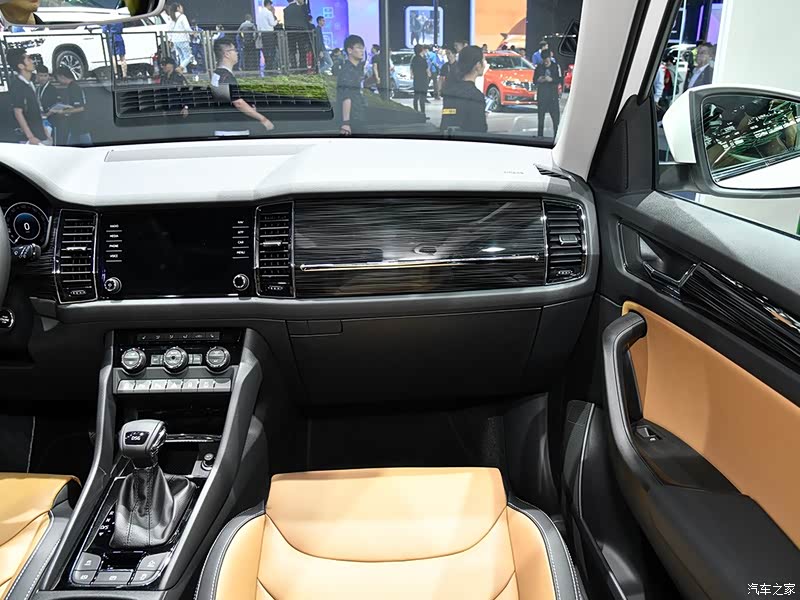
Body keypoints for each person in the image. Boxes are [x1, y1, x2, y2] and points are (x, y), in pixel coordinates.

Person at [211, 38, 275, 135]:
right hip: (233, 131)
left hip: (224, 128)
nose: (237, 53)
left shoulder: (217, 74)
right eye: (234, 50)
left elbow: (227, 99)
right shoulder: (226, 77)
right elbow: (238, 103)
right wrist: (263, 119)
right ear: (227, 54)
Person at [7, 48, 51, 145]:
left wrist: (44, 129)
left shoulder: (30, 83)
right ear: (21, 65)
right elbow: (18, 112)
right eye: (28, 59)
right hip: (30, 138)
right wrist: (30, 136)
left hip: (39, 132)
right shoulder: (18, 85)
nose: (32, 61)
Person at [441, 45, 487, 134]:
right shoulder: (476, 96)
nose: (485, 65)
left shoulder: (450, 91)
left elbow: (447, 119)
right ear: (478, 65)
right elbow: (479, 130)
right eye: (483, 61)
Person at [336, 34, 368, 135]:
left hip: (359, 114)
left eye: (363, 48)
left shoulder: (356, 69)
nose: (362, 51)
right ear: (350, 50)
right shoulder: (347, 71)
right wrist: (346, 123)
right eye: (359, 47)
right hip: (353, 119)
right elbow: (346, 96)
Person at [53, 66, 91, 145]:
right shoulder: (72, 87)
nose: (57, 80)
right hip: (74, 126)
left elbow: (81, 108)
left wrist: (63, 111)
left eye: (57, 78)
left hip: (80, 125)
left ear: (62, 76)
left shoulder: (74, 88)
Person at [534, 50, 561, 137]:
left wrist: (551, 79)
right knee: (541, 118)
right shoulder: (539, 67)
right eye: (543, 60)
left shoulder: (555, 67)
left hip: (552, 96)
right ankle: (540, 136)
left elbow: (560, 79)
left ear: (550, 58)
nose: (545, 62)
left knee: (555, 119)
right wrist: (539, 80)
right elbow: (534, 80)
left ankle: (556, 136)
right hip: (542, 95)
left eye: (547, 60)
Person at [284, 0, 311, 69]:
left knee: (292, 50)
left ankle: (294, 67)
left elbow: (286, 23)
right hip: (301, 32)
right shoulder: (301, 8)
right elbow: (307, 17)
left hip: (290, 33)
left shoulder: (285, 10)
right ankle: (303, 67)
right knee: (302, 50)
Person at [168, 3, 194, 71]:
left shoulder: (171, 17)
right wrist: (193, 33)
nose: (182, 9)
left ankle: (183, 71)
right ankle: (179, 69)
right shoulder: (182, 16)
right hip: (183, 39)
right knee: (189, 57)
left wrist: (170, 39)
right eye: (181, 7)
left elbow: (170, 30)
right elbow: (187, 28)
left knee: (181, 56)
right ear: (178, 8)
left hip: (175, 40)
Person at [256, 0, 278, 72]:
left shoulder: (259, 13)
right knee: (271, 50)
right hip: (269, 34)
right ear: (268, 4)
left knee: (265, 50)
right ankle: (270, 66)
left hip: (263, 34)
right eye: (270, 5)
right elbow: (272, 23)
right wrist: (277, 21)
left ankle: (267, 64)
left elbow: (258, 25)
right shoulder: (268, 13)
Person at [411, 44, 430, 116]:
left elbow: (412, 68)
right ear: (421, 50)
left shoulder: (414, 59)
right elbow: (427, 71)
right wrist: (429, 74)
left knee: (416, 97)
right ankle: (423, 113)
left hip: (416, 79)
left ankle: (416, 112)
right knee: (422, 97)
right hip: (423, 80)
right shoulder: (423, 60)